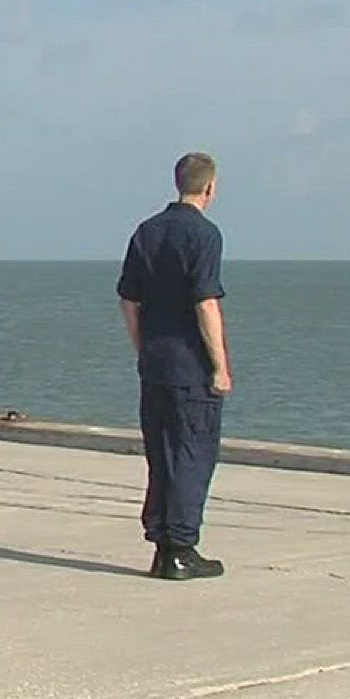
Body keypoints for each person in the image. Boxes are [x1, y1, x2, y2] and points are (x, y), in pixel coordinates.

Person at [116, 152, 230, 580]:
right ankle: (181, 546)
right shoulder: (204, 235)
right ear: (210, 187)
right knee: (192, 452)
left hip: (155, 360)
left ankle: (163, 544)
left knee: (161, 454)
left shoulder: (147, 231)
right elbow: (205, 302)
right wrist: (219, 365)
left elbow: (128, 298)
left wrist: (141, 345)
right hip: (189, 363)